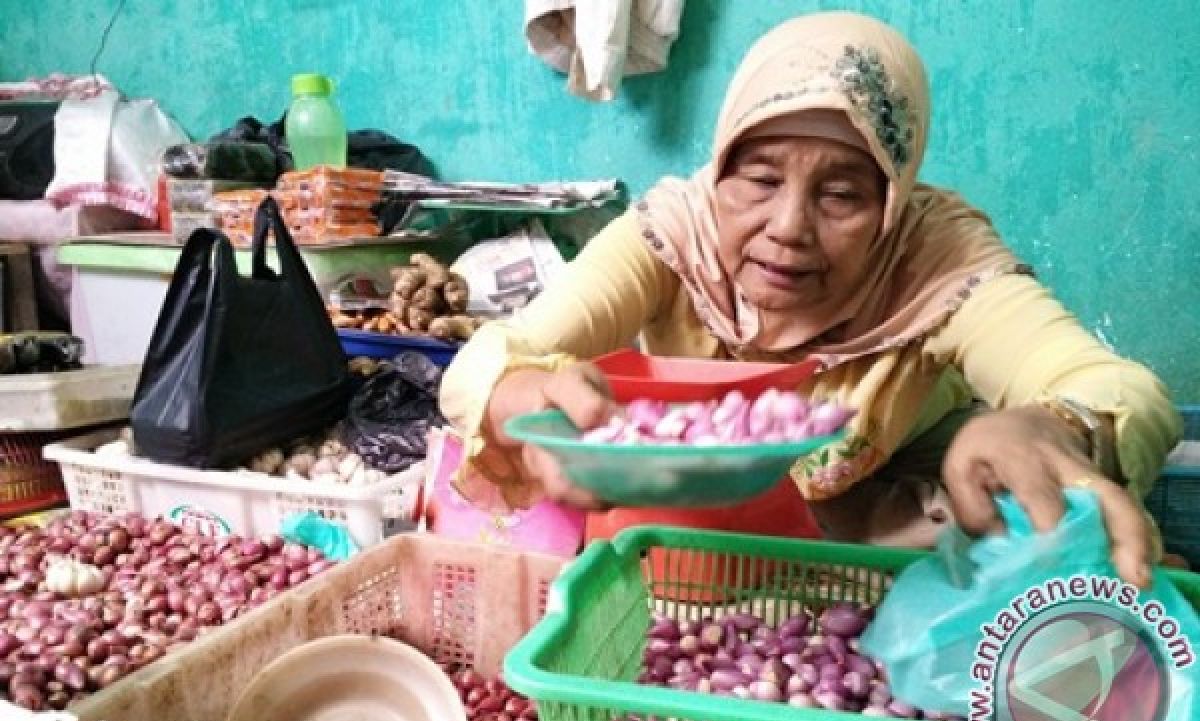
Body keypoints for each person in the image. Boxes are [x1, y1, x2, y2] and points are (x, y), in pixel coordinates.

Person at [439, 11, 1182, 588]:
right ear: (721, 170)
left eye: (843, 195)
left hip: (883, 493)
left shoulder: (934, 256)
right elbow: (490, 358)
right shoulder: (674, 232)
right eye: (759, 181)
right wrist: (518, 390)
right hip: (711, 516)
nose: (789, 228)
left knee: (1069, 534)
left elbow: (1122, 390)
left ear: (893, 201)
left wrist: (1054, 426)